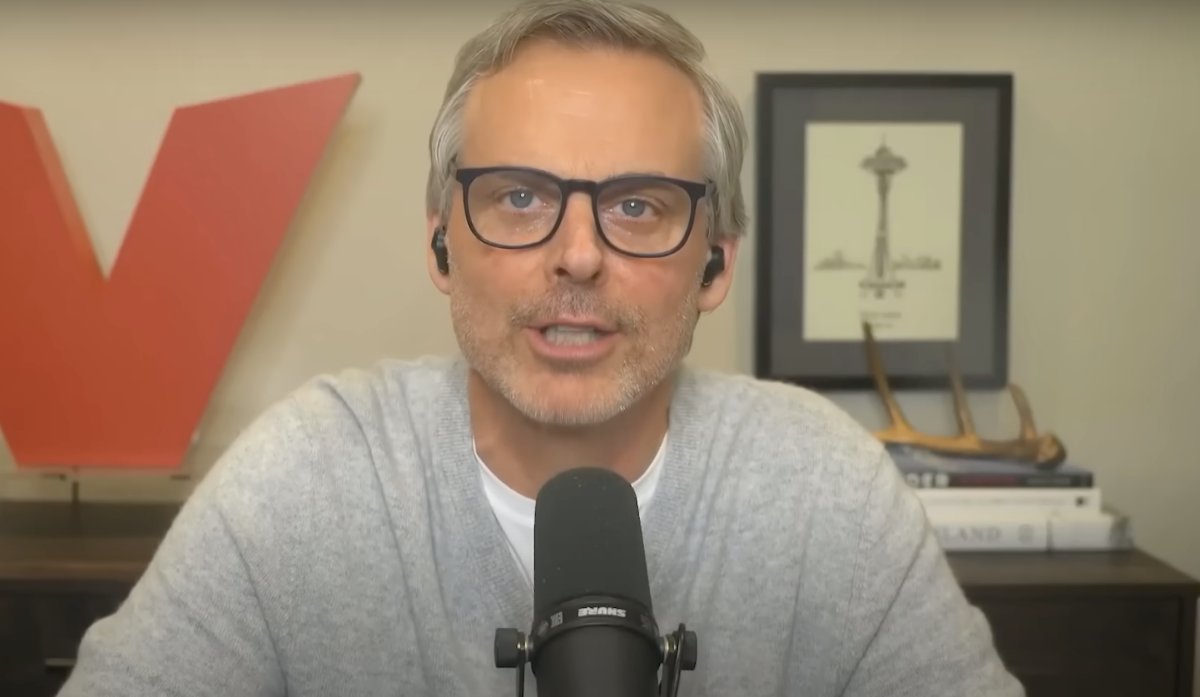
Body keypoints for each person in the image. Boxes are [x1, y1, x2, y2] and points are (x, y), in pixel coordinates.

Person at [58, 0, 1024, 695]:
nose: (578, 256)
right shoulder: (303, 477)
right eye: (519, 196)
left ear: (715, 264)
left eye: (638, 205)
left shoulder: (826, 492)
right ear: (442, 243)